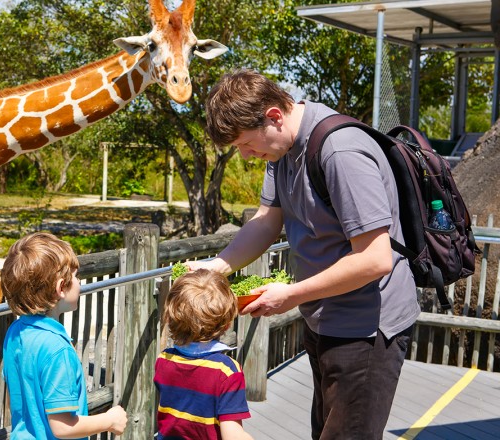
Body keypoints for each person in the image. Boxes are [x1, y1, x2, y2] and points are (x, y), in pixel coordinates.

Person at [193, 69, 420, 439]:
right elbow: (267, 222)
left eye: (246, 144)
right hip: (324, 317)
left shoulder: (340, 150)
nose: (248, 156)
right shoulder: (280, 150)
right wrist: (215, 267)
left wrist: (291, 295)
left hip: (366, 327)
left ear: (274, 116)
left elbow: (374, 259)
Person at [1, 232, 127, 439]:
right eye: (76, 277)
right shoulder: (57, 350)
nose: (80, 282)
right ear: (61, 288)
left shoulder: (15, 332)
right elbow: (63, 426)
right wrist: (110, 420)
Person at [154, 269, 253, 440]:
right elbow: (233, 434)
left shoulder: (164, 360)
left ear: (171, 318)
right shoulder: (227, 371)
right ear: (227, 324)